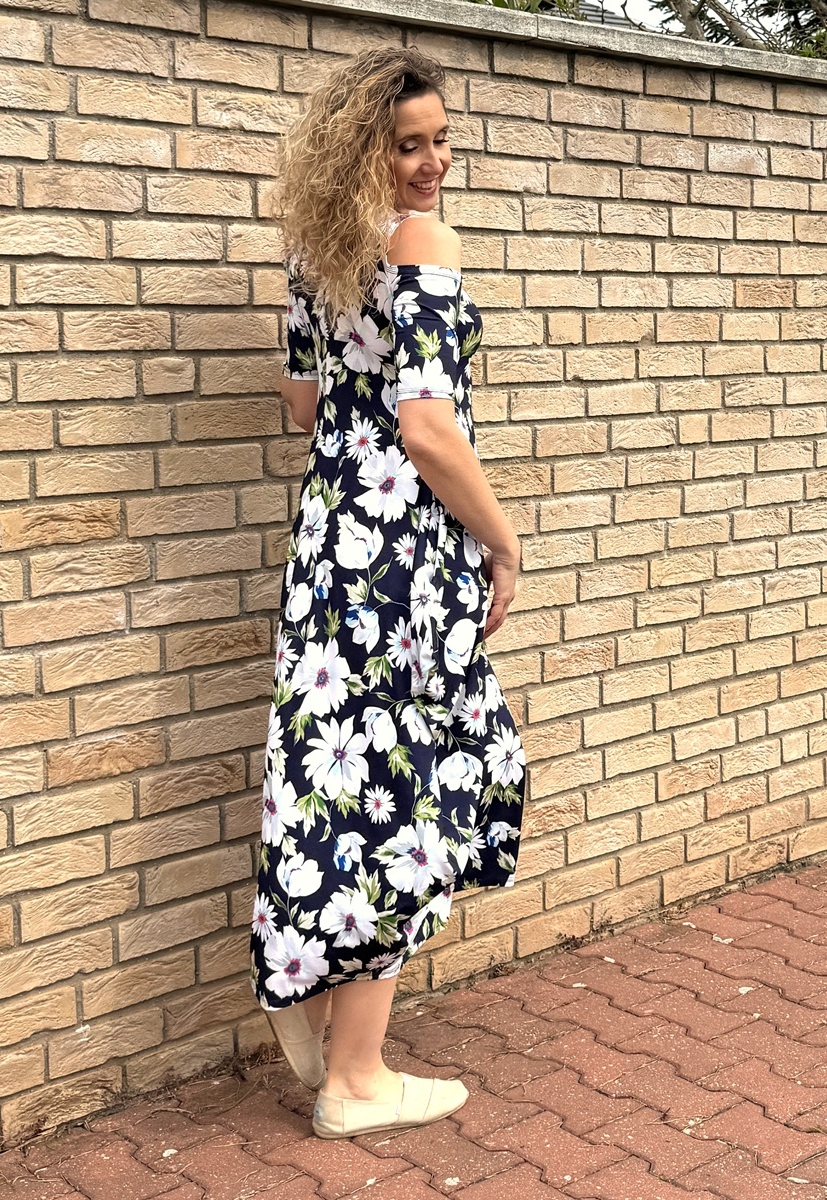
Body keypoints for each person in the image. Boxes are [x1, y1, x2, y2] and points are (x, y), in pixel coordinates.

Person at [249, 45, 527, 1140]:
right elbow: (427, 429)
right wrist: (502, 541)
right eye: (408, 145)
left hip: (331, 545)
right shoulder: (422, 243)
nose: (432, 163)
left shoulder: (314, 249)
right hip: (404, 553)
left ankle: (320, 1004)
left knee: (342, 775)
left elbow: (300, 404)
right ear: (364, 152)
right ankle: (357, 1079)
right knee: (406, 787)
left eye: (441, 140)